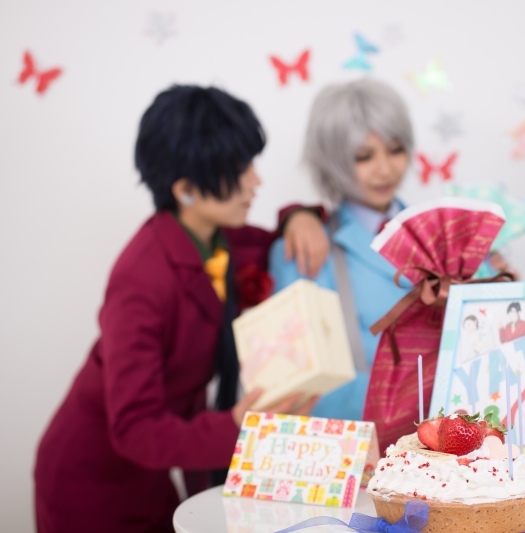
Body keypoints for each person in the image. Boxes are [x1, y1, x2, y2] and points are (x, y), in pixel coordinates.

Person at [34, 85, 327, 533]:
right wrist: (236, 426)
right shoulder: (141, 278)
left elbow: (275, 241)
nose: (256, 181)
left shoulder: (217, 237)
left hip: (155, 475)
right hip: (91, 482)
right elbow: (134, 428)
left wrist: (298, 216)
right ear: (186, 190)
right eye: (239, 169)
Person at [270, 79, 413, 421]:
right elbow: (303, 383)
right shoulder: (304, 249)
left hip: (456, 440)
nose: (385, 169)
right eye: (364, 157)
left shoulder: (447, 236)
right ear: (333, 162)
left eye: (395, 150)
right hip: (363, 439)